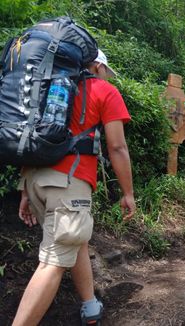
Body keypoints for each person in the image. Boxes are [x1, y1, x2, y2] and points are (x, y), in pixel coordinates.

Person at [13, 50, 135, 326]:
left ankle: (90, 307)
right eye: (105, 70)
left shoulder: (46, 88)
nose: (106, 75)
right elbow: (116, 146)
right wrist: (127, 193)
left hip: (34, 179)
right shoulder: (104, 90)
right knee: (53, 262)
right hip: (68, 183)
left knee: (76, 239)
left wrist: (25, 190)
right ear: (97, 66)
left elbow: (32, 137)